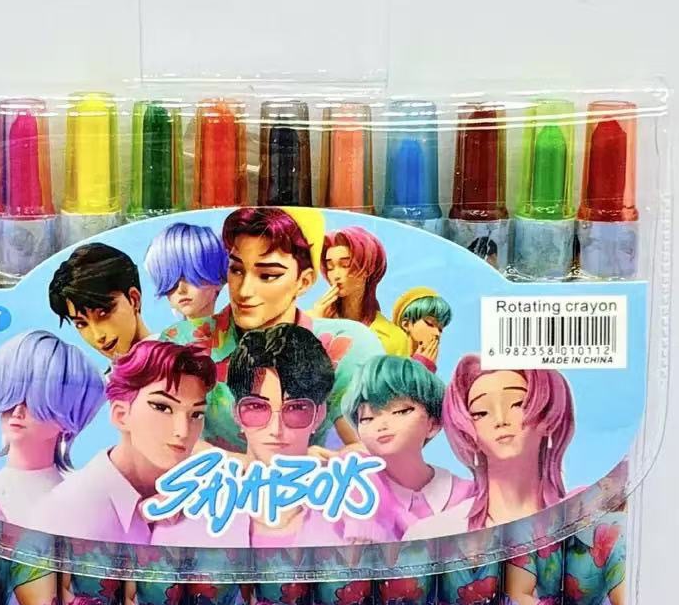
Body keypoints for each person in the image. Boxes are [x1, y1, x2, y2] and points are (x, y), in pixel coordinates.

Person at [161, 207, 383, 452]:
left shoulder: (346, 344)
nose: (244, 291)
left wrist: (318, 462)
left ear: (304, 281)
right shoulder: (181, 342)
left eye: (267, 275)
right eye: (236, 270)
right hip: (213, 476)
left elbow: (374, 449)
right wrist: (244, 463)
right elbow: (161, 436)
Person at [52, 341, 217, 544]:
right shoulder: (70, 512)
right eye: (163, 408)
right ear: (121, 415)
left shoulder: (206, 499)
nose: (183, 431)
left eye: (196, 414)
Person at [0, 331, 105, 529]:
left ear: (68, 416)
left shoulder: (90, 511)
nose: (17, 411)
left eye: (35, 401)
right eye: (11, 397)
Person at [225, 323, 344, 546]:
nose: (276, 429)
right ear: (236, 413)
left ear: (319, 415)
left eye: (296, 408)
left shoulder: (351, 514)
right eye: (257, 407)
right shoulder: (197, 513)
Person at [345, 355, 473, 542]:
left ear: (433, 423)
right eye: (367, 418)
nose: (382, 425)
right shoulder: (354, 490)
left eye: (401, 411)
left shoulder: (468, 494)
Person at [442, 356, 575, 530]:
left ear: (547, 416)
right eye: (481, 413)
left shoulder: (580, 517)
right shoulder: (436, 532)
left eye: (518, 404)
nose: (500, 420)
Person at [310, 226, 410, 356]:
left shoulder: (394, 337)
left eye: (345, 265)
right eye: (330, 267)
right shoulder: (312, 320)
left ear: (368, 269)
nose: (336, 275)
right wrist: (314, 327)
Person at [50, 242, 151, 359]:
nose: (98, 336)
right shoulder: (99, 373)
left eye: (103, 313)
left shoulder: (170, 355)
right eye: (81, 324)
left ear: (134, 299)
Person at [144, 222, 229, 322]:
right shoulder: (169, 332)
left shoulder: (236, 327)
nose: (181, 290)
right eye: (171, 282)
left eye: (191, 277)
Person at [390, 287, 452, 367]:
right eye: (430, 324)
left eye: (440, 330)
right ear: (406, 324)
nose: (437, 333)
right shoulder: (389, 359)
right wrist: (421, 368)